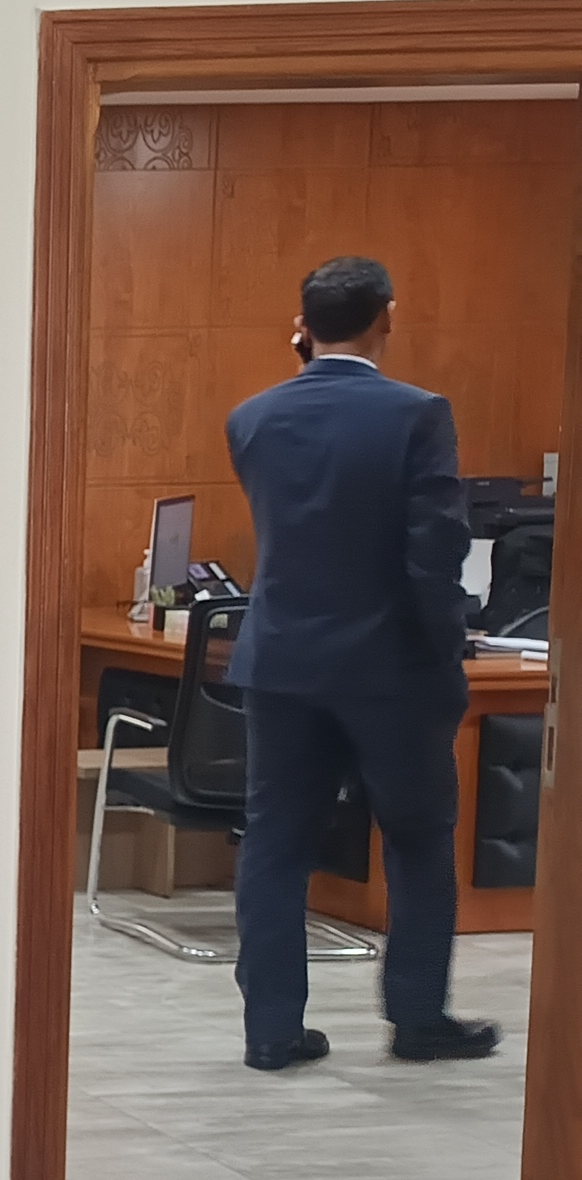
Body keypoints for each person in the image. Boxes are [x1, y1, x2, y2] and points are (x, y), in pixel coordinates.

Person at [227, 255, 500, 1070]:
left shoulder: (251, 418)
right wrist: (448, 647)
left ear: (302, 325)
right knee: (417, 840)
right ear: (388, 316)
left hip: (281, 663)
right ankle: (417, 1018)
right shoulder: (417, 414)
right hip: (393, 669)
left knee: (275, 845)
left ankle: (272, 1029)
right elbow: (435, 550)